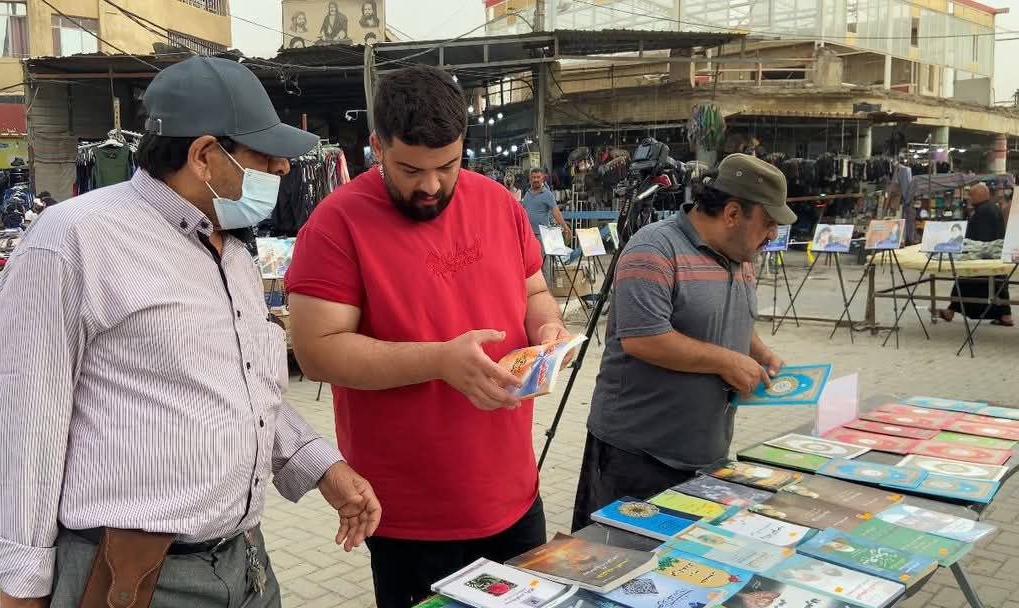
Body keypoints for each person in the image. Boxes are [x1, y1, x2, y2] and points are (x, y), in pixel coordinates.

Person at [0, 56, 381, 608]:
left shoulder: (231, 251)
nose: (284, 168)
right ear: (205, 155)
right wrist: (21, 590)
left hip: (245, 563)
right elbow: (23, 426)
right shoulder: (73, 241)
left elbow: (243, 386)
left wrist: (321, 467)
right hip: (135, 580)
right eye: (264, 156)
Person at [285, 65, 570, 608]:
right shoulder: (336, 223)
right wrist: (439, 360)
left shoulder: (498, 203)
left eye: (448, 166)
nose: (432, 186)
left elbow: (534, 289)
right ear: (377, 147)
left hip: (514, 493)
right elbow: (317, 351)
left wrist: (548, 327)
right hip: (413, 515)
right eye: (411, 169)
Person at [571, 154, 793, 532]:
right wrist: (726, 361)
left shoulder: (741, 257)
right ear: (733, 213)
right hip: (637, 459)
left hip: (706, 458)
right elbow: (644, 338)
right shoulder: (653, 249)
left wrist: (758, 351)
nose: (773, 234)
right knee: (620, 558)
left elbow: (727, 317)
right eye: (768, 222)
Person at [941, 183, 1012, 326]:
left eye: (971, 195)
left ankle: (950, 312)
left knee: (967, 282)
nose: (969, 198)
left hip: (983, 257)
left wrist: (970, 251)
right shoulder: (989, 208)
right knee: (994, 285)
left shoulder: (984, 211)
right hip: (991, 256)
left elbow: (982, 239)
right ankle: (1005, 316)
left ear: (980, 195)